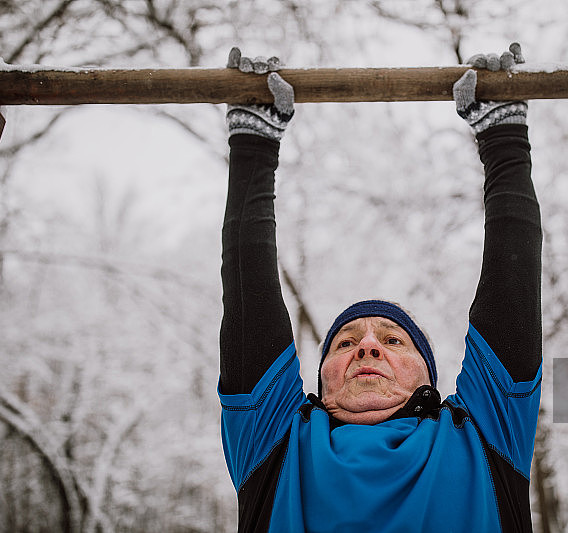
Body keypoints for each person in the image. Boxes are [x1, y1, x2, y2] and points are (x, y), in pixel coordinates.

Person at [218, 44, 542, 532]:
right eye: (345, 343)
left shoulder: (480, 432)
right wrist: (253, 143)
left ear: (429, 377)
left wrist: (504, 138)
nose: (367, 346)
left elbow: (512, 285)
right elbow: (249, 293)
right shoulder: (278, 440)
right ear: (321, 378)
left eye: (393, 340)